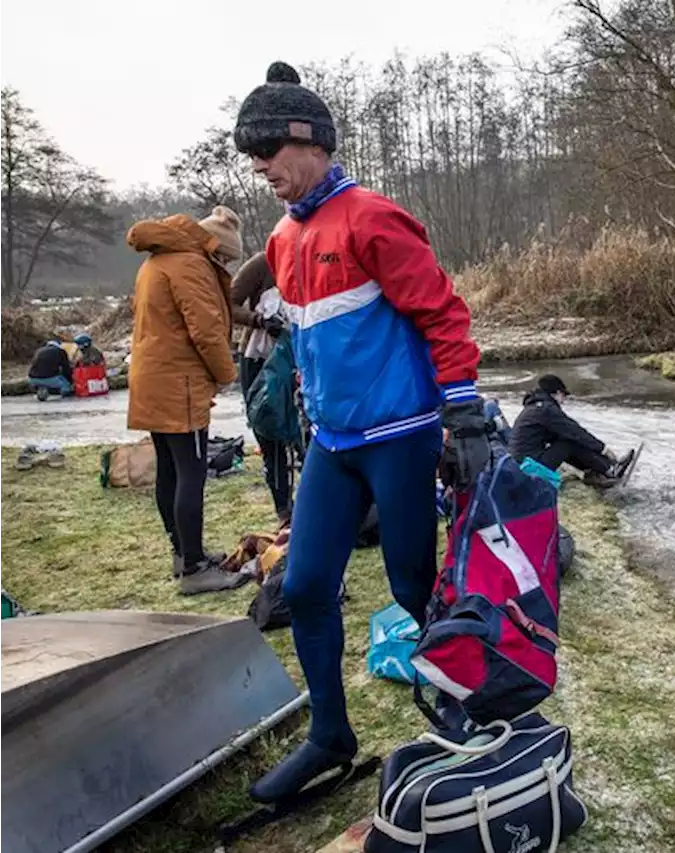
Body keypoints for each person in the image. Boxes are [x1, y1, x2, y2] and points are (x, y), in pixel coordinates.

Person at [233, 61, 485, 802]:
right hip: (333, 447)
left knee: (414, 586)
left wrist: (462, 411)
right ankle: (329, 736)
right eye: (253, 157)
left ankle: (466, 708)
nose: (260, 167)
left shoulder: (374, 217)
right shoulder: (282, 238)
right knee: (305, 586)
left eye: (269, 152)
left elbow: (443, 314)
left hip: (401, 435)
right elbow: (308, 338)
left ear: (310, 143)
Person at [126, 204, 248, 595]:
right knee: (191, 473)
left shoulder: (158, 261)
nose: (225, 263)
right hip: (180, 383)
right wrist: (227, 374)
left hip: (153, 377)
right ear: (214, 247)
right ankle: (195, 569)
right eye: (226, 257)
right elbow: (207, 331)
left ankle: (183, 552)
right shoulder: (190, 266)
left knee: (170, 469)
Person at [230, 250, 294, 526]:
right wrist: (259, 321)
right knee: (270, 435)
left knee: (305, 434)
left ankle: (312, 507)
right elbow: (228, 305)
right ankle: (284, 511)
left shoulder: (314, 260)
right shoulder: (262, 264)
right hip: (259, 359)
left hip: (297, 356)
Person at [508, 374, 636, 487]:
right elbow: (575, 431)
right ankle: (610, 469)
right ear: (557, 393)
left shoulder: (535, 408)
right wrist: (604, 449)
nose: (563, 401)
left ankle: (595, 473)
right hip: (530, 468)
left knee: (565, 442)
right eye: (563, 396)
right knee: (569, 442)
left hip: (521, 466)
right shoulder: (546, 410)